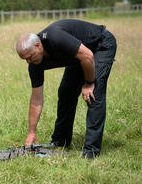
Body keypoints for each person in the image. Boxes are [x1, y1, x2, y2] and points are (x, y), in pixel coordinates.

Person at [15, 19, 117, 159]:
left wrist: (88, 83)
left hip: (100, 45)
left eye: (30, 57)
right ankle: (60, 142)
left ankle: (91, 152)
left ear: (38, 45)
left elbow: (87, 56)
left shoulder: (55, 38)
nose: (29, 62)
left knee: (93, 95)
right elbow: (36, 100)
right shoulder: (34, 64)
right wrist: (31, 132)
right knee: (66, 93)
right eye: (25, 59)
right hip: (78, 57)